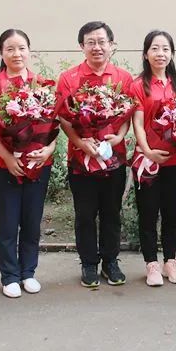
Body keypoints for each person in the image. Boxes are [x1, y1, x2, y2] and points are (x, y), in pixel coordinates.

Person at [56, 21, 134, 288]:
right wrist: (79, 141)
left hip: (114, 157)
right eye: (91, 42)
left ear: (111, 45)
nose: (97, 47)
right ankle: (88, 263)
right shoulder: (69, 78)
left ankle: (110, 261)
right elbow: (63, 117)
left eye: (102, 42)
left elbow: (129, 113)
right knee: (85, 214)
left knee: (112, 212)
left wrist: (120, 135)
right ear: (82, 46)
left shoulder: (123, 78)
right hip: (81, 159)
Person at [0, 29, 56, 298]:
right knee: (8, 223)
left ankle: (28, 272)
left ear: (29, 51)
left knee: (32, 222)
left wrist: (47, 150)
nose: (16, 54)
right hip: (5, 165)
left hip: (38, 164)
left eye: (21, 48)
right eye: (10, 49)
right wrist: (8, 157)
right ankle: (10, 275)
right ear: (1, 53)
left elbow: (54, 126)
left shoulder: (42, 84)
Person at [130, 30, 176, 286]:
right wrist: (147, 151)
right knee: (148, 213)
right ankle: (152, 264)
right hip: (147, 162)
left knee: (171, 213)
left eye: (165, 49)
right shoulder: (138, 85)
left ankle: (170, 262)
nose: (160, 53)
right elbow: (138, 123)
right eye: (155, 48)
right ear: (146, 54)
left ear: (172, 54)